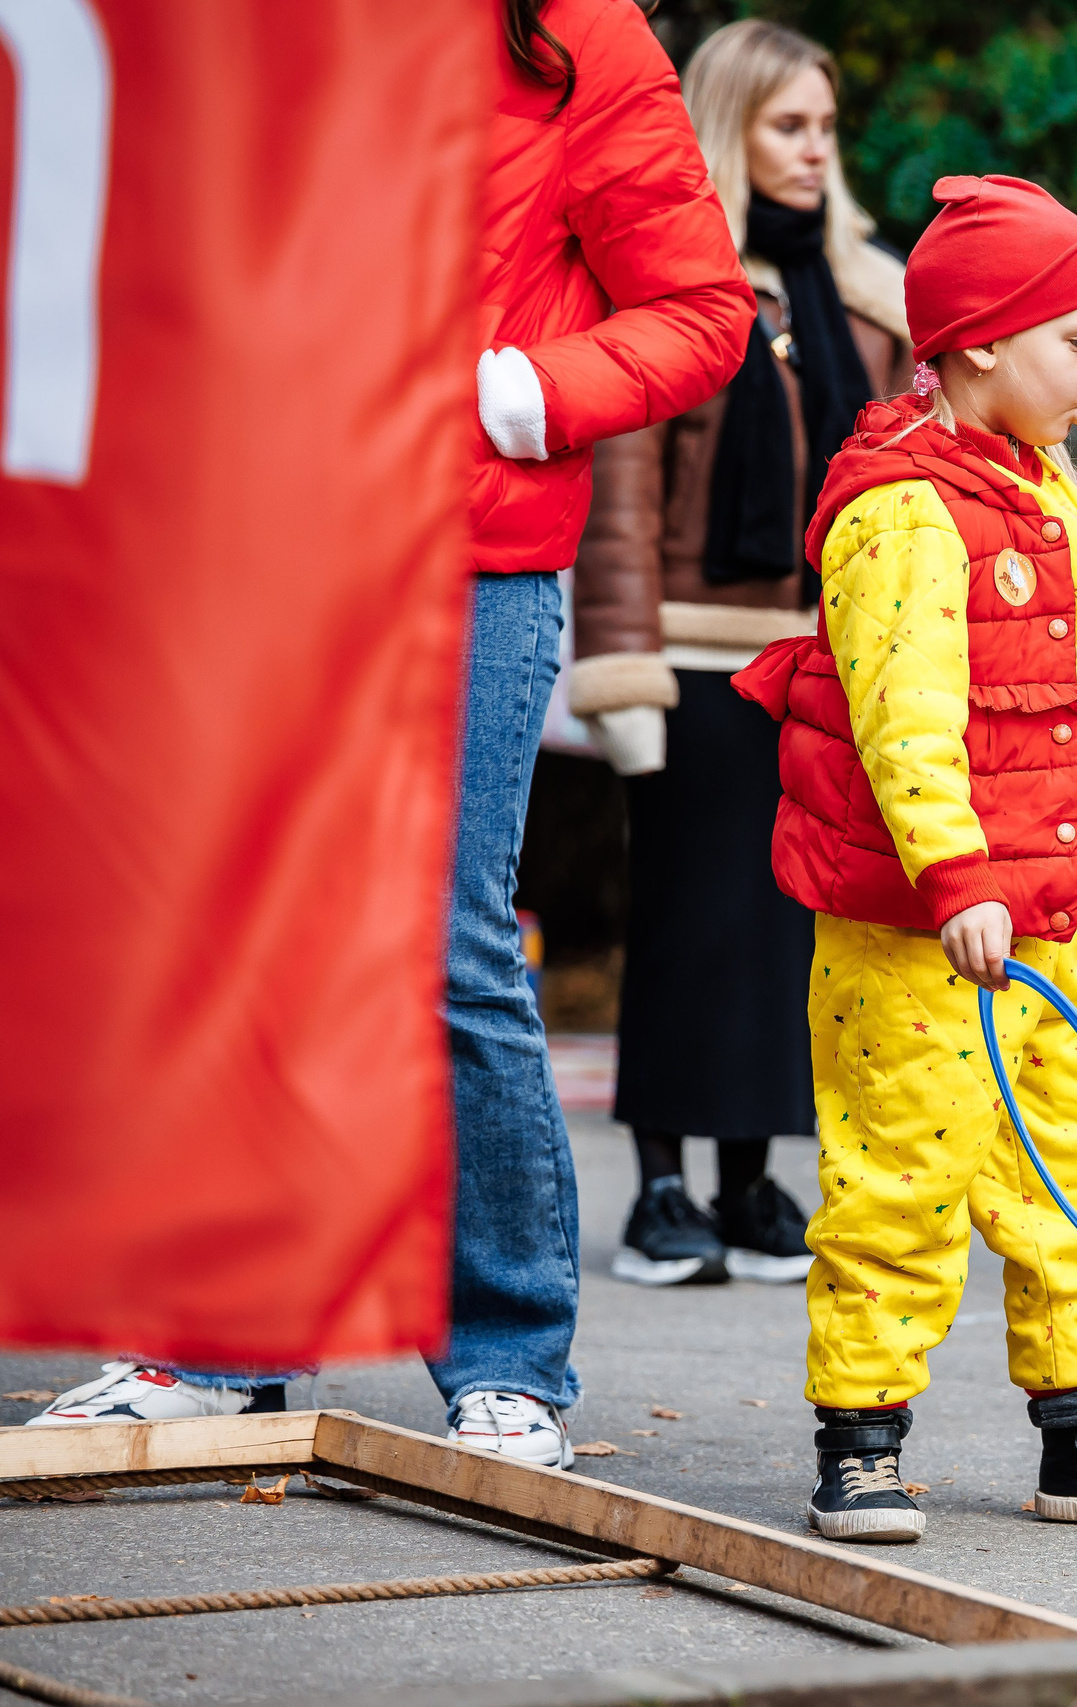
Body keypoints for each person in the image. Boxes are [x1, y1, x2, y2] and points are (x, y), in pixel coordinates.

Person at [33, 0, 754, 1456]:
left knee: (440, 945)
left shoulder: (580, 38)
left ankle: (507, 1357)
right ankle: (216, 1342)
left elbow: (701, 312)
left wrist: (526, 394)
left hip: (462, 557)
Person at [734, 174, 1077, 1542]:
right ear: (976, 346)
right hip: (922, 933)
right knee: (901, 1173)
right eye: (1076, 340)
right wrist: (958, 880)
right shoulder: (903, 511)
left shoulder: (1052, 498)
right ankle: (862, 1440)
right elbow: (907, 725)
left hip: (1053, 919)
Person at [570, 19, 911, 1290]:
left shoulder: (870, 300)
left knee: (796, 933)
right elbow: (622, 490)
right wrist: (622, 667)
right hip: (693, 655)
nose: (816, 150)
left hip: (827, 659)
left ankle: (756, 1178)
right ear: (729, 126)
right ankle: (663, 1185)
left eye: (825, 126)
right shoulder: (677, 290)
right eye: (788, 126)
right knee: (685, 919)